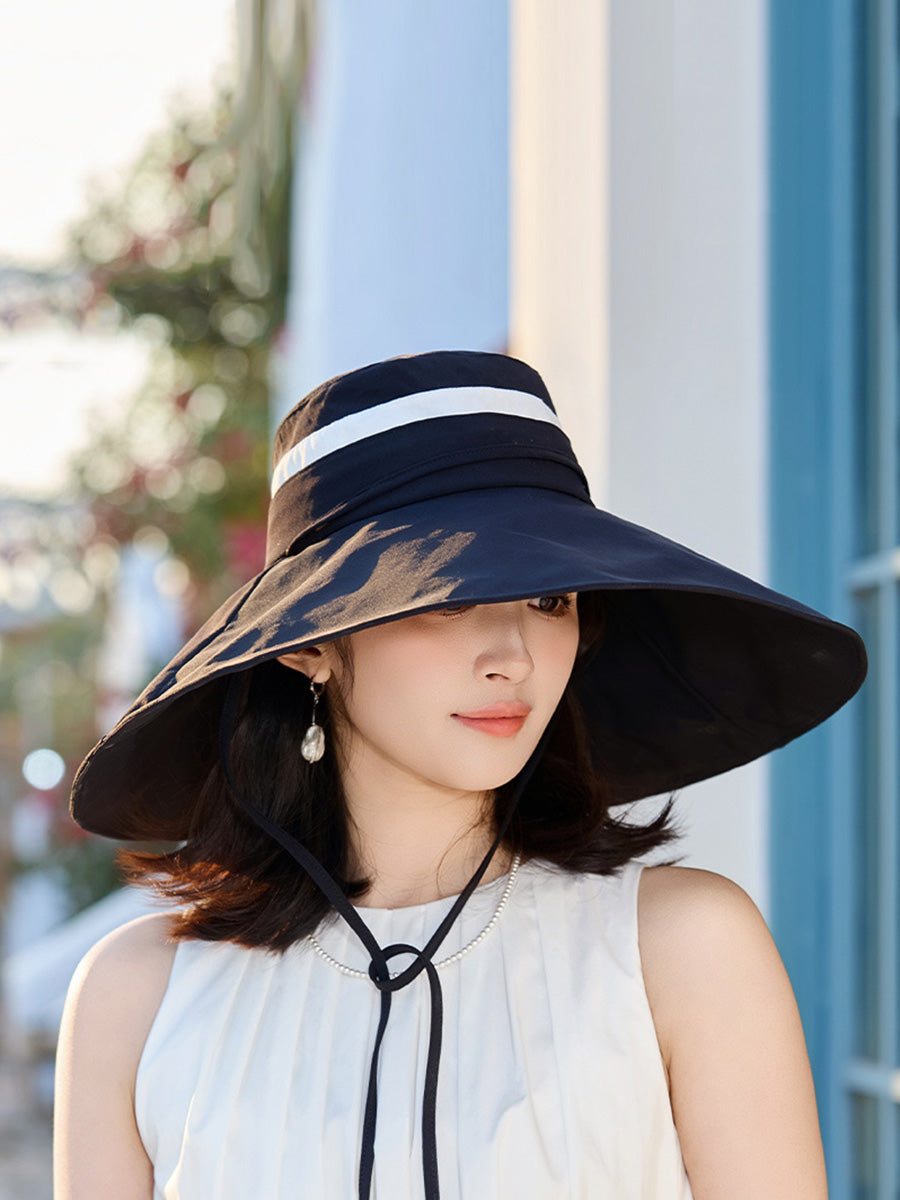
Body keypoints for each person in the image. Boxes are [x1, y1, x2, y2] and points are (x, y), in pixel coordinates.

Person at [54, 349, 866, 1199]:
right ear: (308, 642)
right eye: (445, 597)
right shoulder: (137, 997)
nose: (512, 655)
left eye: (550, 600)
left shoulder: (682, 948)